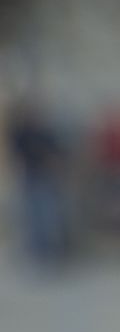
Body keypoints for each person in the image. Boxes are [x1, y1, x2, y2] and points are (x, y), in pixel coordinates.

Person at [6, 88, 71, 270]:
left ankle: (50, 254)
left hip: (46, 176)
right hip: (29, 175)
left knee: (48, 215)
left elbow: (57, 150)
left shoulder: (46, 130)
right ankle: (36, 254)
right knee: (32, 215)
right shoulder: (21, 131)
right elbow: (17, 152)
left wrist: (55, 163)